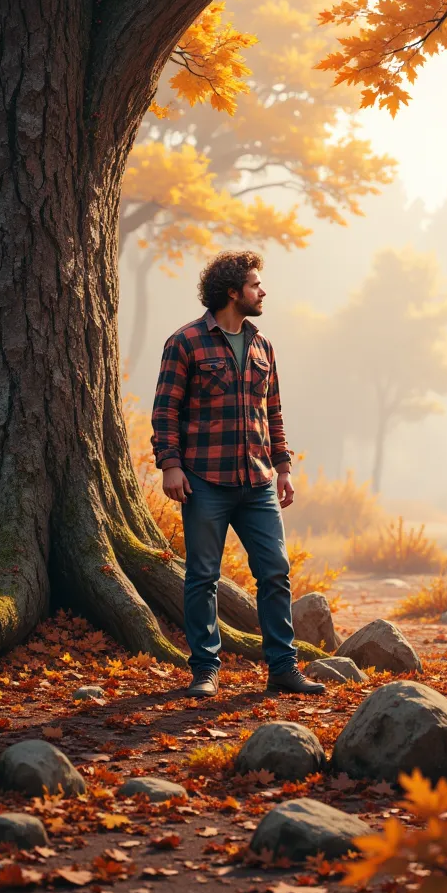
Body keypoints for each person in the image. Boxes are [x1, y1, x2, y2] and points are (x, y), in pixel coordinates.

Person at [151, 250, 324, 699]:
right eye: (255, 284)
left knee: (275, 572)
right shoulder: (185, 342)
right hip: (204, 480)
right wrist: (170, 465)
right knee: (202, 576)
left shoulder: (264, 346)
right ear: (232, 291)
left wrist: (283, 469)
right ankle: (205, 670)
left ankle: (283, 667)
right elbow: (165, 409)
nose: (263, 291)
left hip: (259, 482)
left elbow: (274, 413)